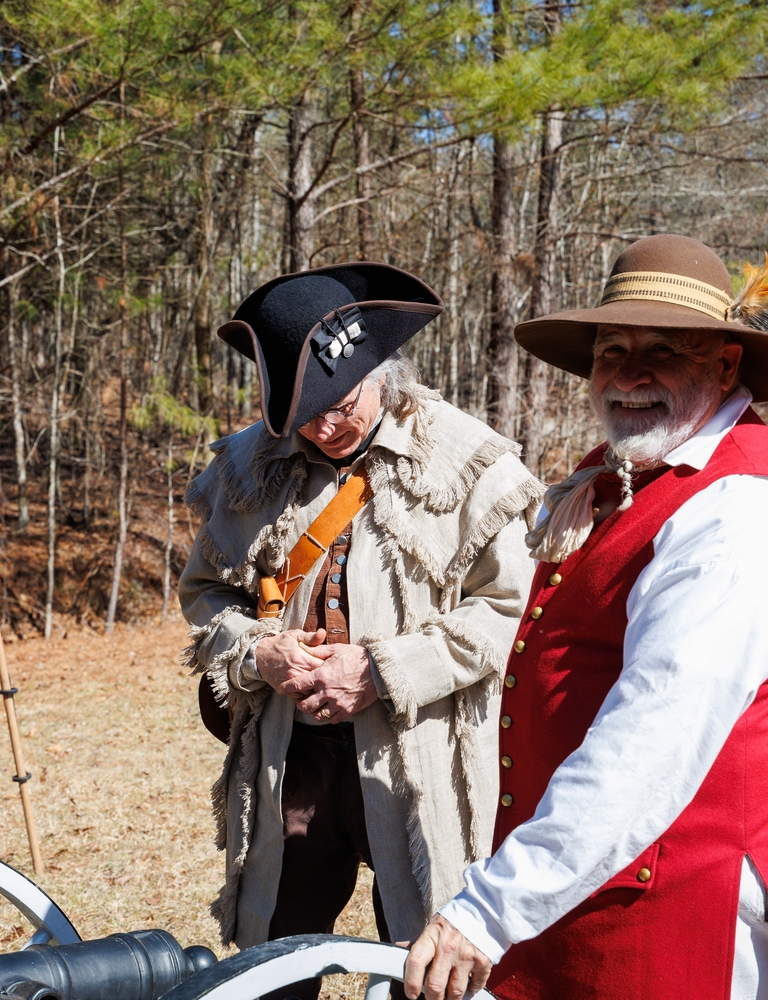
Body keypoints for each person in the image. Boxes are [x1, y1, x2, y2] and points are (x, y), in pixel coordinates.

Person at [403, 234, 768, 1000]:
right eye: (612, 351)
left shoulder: (743, 513)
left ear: (726, 365)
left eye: (663, 351)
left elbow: (653, 738)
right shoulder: (624, 474)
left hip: (676, 917)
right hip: (585, 893)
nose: (629, 375)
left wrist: (490, 911)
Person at [180, 262, 544, 999]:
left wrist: (382, 670)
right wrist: (259, 651)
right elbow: (206, 593)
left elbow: (508, 610)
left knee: (428, 967)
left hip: (424, 752)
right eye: (301, 415)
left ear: (385, 373)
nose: (323, 428)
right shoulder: (249, 465)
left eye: (340, 406)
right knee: (271, 963)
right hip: (293, 757)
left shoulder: (468, 460)